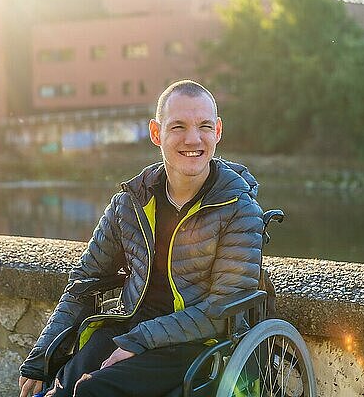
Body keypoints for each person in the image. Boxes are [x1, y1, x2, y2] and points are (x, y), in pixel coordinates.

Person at [18, 79, 264, 397]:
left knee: (93, 392)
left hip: (196, 343)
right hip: (131, 328)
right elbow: (84, 282)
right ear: (156, 133)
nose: (193, 138)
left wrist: (141, 340)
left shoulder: (239, 207)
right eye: (178, 126)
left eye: (204, 126)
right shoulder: (129, 202)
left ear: (217, 131)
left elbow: (220, 311)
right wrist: (41, 358)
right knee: (58, 391)